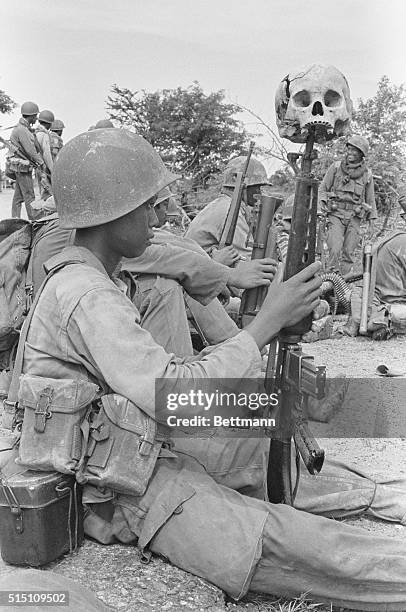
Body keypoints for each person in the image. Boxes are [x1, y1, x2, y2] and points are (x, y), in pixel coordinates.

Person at [20, 129, 406, 611]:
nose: (159, 217)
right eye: (148, 206)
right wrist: (265, 324)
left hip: (141, 453)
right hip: (117, 492)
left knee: (272, 425)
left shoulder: (102, 279)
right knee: (288, 542)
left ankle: (381, 497)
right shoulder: (87, 294)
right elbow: (175, 393)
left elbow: (168, 384)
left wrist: (273, 365)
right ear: (111, 214)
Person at [185, 155, 270, 266]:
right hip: (198, 272)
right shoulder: (230, 211)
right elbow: (246, 259)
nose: (260, 192)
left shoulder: (224, 204)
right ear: (243, 186)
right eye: (257, 186)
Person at [318, 135, 377, 275]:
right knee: (334, 249)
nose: (350, 152)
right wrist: (320, 209)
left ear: (361, 154)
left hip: (354, 217)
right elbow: (322, 189)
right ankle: (330, 282)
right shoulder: (336, 167)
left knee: (349, 253)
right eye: (349, 149)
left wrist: (372, 222)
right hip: (336, 214)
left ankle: (343, 286)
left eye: (354, 150)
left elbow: (371, 199)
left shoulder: (367, 174)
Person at [9, 101, 45, 219]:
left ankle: (14, 220)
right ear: (31, 115)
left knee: (18, 198)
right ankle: (34, 221)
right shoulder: (22, 130)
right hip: (22, 168)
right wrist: (41, 162)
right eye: (35, 116)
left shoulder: (23, 129)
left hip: (20, 167)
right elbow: (30, 151)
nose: (36, 118)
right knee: (29, 195)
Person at [35, 109, 55, 200]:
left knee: (41, 190)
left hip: (37, 167)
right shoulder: (44, 135)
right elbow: (47, 155)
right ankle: (45, 212)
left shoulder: (36, 133)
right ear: (48, 123)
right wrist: (52, 169)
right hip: (44, 168)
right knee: (47, 192)